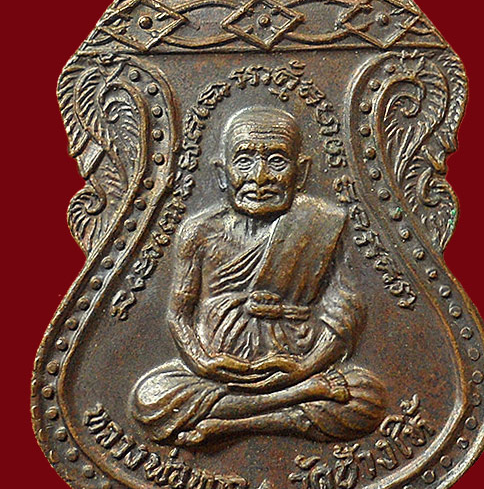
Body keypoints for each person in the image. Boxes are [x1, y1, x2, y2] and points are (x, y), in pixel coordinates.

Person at [130, 105, 386, 445]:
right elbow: (178, 314)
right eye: (244, 160)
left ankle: (231, 423)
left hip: (295, 366)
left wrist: (307, 367)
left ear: (301, 173)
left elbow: (344, 315)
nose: (260, 177)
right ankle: (289, 404)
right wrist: (201, 362)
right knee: (150, 398)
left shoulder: (320, 225)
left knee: (367, 398)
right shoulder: (199, 232)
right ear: (222, 173)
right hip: (220, 377)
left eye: (277, 161)